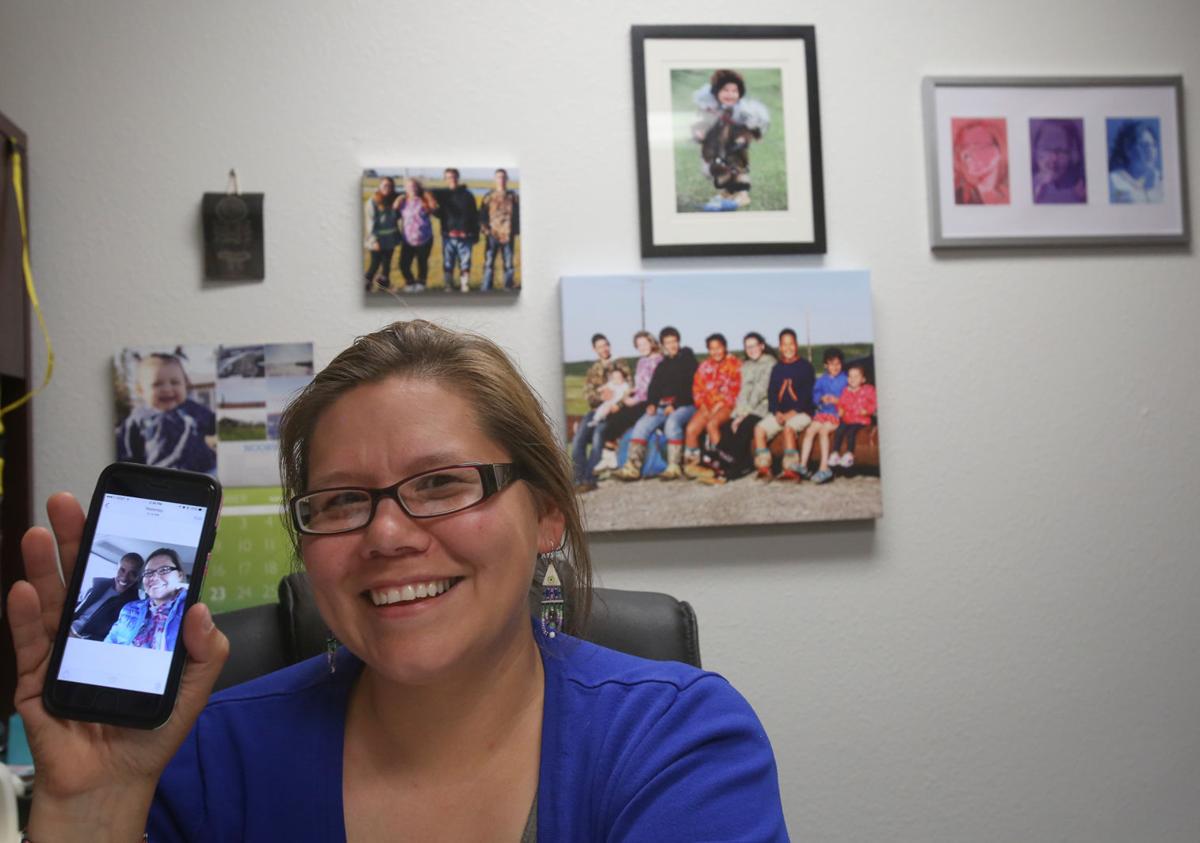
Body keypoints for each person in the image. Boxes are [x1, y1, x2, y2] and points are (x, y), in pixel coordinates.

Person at [11, 319, 790, 841]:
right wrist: (92, 812)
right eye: (341, 500)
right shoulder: (206, 759)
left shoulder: (678, 742)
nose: (385, 535)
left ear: (547, 514)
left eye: (443, 483)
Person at [615, 326, 699, 481]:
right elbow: (654, 387)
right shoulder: (663, 365)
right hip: (662, 405)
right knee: (642, 425)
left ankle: (674, 466)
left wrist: (675, 405)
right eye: (668, 343)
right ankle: (632, 467)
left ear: (678, 341)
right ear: (663, 345)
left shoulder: (688, 360)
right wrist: (652, 403)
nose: (672, 345)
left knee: (672, 423)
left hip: (685, 404)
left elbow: (690, 386)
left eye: (674, 341)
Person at [116, 352, 217, 476]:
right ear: (141, 390)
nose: (167, 389)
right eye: (157, 384)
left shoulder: (194, 410)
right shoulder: (137, 419)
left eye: (175, 382)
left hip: (204, 472)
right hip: (161, 477)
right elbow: (127, 453)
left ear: (185, 384)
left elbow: (216, 426)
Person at [691, 68, 771, 211]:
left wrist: (745, 137)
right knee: (721, 171)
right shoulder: (711, 109)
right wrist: (699, 133)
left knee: (737, 170)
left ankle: (742, 196)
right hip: (717, 148)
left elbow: (751, 126)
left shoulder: (743, 111)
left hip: (735, 147)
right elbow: (702, 123)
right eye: (726, 90)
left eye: (735, 91)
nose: (730, 94)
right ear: (716, 93)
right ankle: (727, 193)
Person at [591, 330, 663, 476]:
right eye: (639, 345)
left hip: (651, 401)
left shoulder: (659, 361)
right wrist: (627, 395)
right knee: (611, 416)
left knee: (620, 418)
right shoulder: (641, 362)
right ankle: (610, 453)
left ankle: (613, 455)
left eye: (645, 343)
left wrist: (634, 400)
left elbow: (653, 388)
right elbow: (639, 386)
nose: (642, 347)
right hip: (638, 398)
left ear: (652, 342)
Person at [709, 332, 776, 482]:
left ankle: (735, 466)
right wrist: (738, 414)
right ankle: (723, 461)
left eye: (754, 346)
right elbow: (743, 392)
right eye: (748, 347)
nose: (751, 350)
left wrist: (743, 415)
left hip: (762, 408)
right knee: (727, 426)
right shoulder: (746, 366)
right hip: (746, 409)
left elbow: (760, 391)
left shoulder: (770, 363)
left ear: (762, 346)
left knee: (744, 426)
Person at [570, 333, 631, 492]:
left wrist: (616, 403)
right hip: (596, 410)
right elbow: (588, 393)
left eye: (605, 345)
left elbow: (629, 389)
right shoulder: (593, 370)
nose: (604, 349)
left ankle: (590, 478)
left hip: (614, 412)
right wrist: (601, 397)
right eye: (600, 347)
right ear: (594, 349)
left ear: (609, 346)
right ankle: (578, 478)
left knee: (598, 436)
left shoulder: (620, 365)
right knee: (578, 438)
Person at [753, 328, 815, 481]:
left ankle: (791, 469)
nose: (788, 348)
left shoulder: (805, 367)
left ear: (796, 345)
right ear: (780, 347)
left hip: (802, 412)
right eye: (784, 345)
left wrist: (792, 413)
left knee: (789, 428)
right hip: (781, 413)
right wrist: (776, 412)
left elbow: (807, 395)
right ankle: (764, 467)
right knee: (759, 429)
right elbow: (772, 394)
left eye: (791, 344)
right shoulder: (777, 368)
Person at [104, 548, 190, 650]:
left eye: (164, 570)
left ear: (180, 575)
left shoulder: (191, 610)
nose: (154, 577)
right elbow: (109, 643)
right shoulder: (129, 608)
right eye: (148, 572)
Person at [682, 333, 741, 479]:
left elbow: (738, 389)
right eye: (712, 349)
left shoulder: (735, 364)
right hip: (707, 406)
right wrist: (702, 405)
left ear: (724, 347)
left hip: (728, 405)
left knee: (712, 424)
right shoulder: (704, 366)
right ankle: (693, 465)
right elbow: (697, 388)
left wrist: (721, 404)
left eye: (718, 348)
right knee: (691, 429)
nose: (716, 352)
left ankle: (724, 464)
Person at [795, 347, 847, 484]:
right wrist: (821, 398)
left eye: (838, 364)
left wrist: (838, 401)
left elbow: (851, 397)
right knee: (810, 430)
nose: (835, 367)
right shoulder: (822, 379)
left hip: (838, 414)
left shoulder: (845, 379)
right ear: (825, 365)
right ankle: (803, 465)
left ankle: (824, 468)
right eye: (831, 364)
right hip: (824, 413)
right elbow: (815, 394)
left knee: (823, 431)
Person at [69, 551, 144, 640]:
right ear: (117, 568)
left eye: (133, 574)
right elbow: (80, 607)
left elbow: (116, 637)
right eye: (122, 570)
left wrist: (80, 638)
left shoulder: (134, 607)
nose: (124, 577)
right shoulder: (97, 585)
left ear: (138, 577)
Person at [431, 168, 481, 292]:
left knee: (465, 262)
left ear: (458, 177)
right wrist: (433, 209)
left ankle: (465, 284)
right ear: (445, 179)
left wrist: (475, 234)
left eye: (454, 176)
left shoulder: (468, 195)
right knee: (448, 262)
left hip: (466, 236)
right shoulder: (443, 195)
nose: (451, 179)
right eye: (448, 177)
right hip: (448, 235)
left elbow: (474, 215)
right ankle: (449, 285)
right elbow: (440, 213)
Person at [830, 362, 877, 470]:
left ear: (863, 379)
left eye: (856, 376)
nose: (852, 379)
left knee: (851, 432)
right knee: (839, 430)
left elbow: (874, 403)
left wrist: (867, 411)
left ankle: (849, 455)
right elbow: (841, 403)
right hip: (847, 418)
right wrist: (840, 409)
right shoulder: (846, 390)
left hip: (861, 419)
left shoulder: (868, 389)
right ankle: (835, 453)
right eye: (850, 376)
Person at [479, 168, 520, 291]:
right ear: (495, 179)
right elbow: (482, 215)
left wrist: (516, 231)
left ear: (507, 179)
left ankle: (508, 288)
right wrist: (486, 231)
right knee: (489, 264)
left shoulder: (513, 197)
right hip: (492, 235)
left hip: (508, 235)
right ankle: (486, 289)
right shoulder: (488, 196)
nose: (501, 179)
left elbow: (519, 215)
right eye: (498, 177)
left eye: (503, 177)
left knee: (508, 264)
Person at [395, 177, 438, 292]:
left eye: (414, 186)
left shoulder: (424, 200)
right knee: (403, 264)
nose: (412, 189)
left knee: (422, 263)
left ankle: (421, 284)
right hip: (407, 239)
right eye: (409, 186)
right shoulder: (403, 201)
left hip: (424, 238)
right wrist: (397, 201)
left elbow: (435, 209)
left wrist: (430, 199)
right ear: (405, 188)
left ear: (418, 188)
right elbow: (394, 212)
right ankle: (410, 282)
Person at [952, 119, 1009, 205]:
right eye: (964, 149)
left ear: (999, 149)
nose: (970, 156)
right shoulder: (958, 198)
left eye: (979, 146)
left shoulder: (1011, 191)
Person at [1030, 119, 1086, 204]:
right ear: (1035, 151)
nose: (1054, 159)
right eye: (1047, 149)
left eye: (1062, 151)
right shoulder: (1025, 186)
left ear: (1074, 155)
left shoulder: (1082, 192)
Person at [1108, 119, 1164, 204]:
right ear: (1128, 149)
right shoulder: (1114, 181)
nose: (1151, 150)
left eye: (1153, 145)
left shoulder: (1161, 180)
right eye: (1144, 145)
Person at [363, 176, 400, 290]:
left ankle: (383, 286)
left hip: (390, 239)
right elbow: (370, 223)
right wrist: (375, 241)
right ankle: (365, 285)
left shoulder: (392, 199)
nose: (387, 188)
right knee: (375, 264)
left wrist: (398, 203)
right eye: (385, 185)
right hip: (378, 240)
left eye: (390, 186)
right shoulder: (372, 201)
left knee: (387, 265)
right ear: (379, 186)